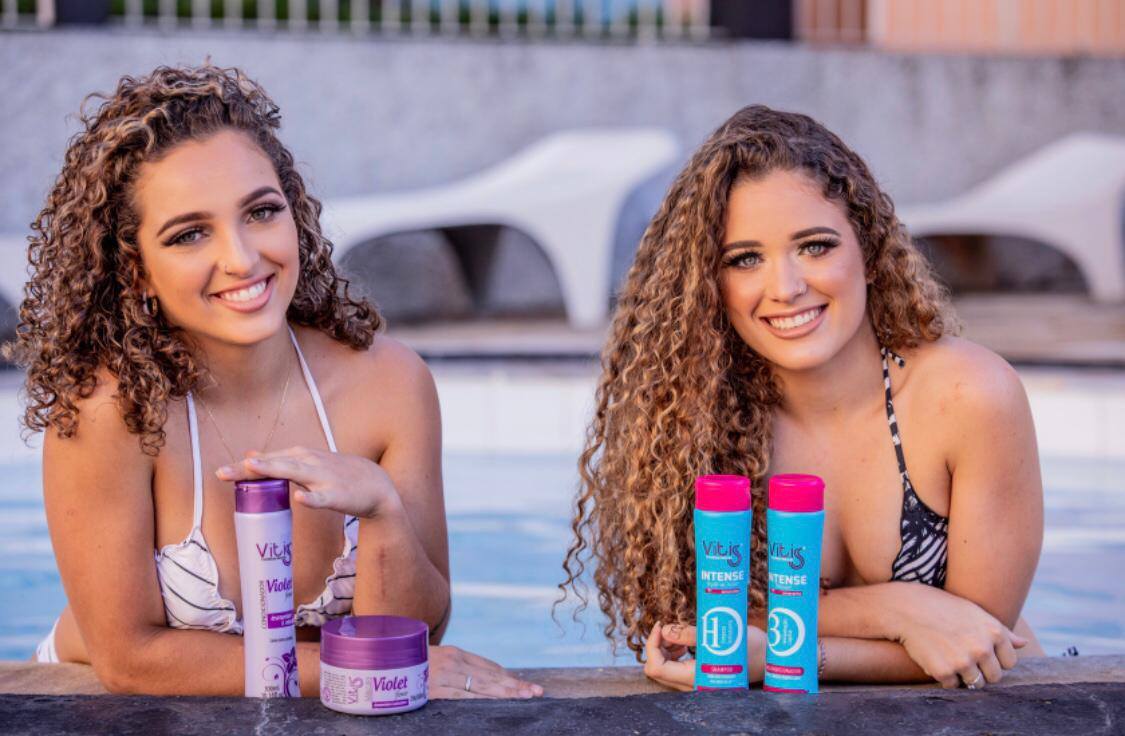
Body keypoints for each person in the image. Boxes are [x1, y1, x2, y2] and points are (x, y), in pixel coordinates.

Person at [13, 64, 540, 700]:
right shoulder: (110, 412)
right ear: (136, 270)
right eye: (190, 234)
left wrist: (383, 511)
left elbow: (419, 633)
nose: (242, 258)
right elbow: (130, 660)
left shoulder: (390, 385)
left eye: (261, 212)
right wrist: (353, 668)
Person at [560, 105, 1045, 690]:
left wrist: (781, 655)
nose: (785, 288)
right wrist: (899, 609)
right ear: (709, 286)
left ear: (869, 251)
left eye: (814, 247)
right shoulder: (692, 423)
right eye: (745, 259)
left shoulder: (968, 397)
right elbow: (698, 626)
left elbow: (976, 642)